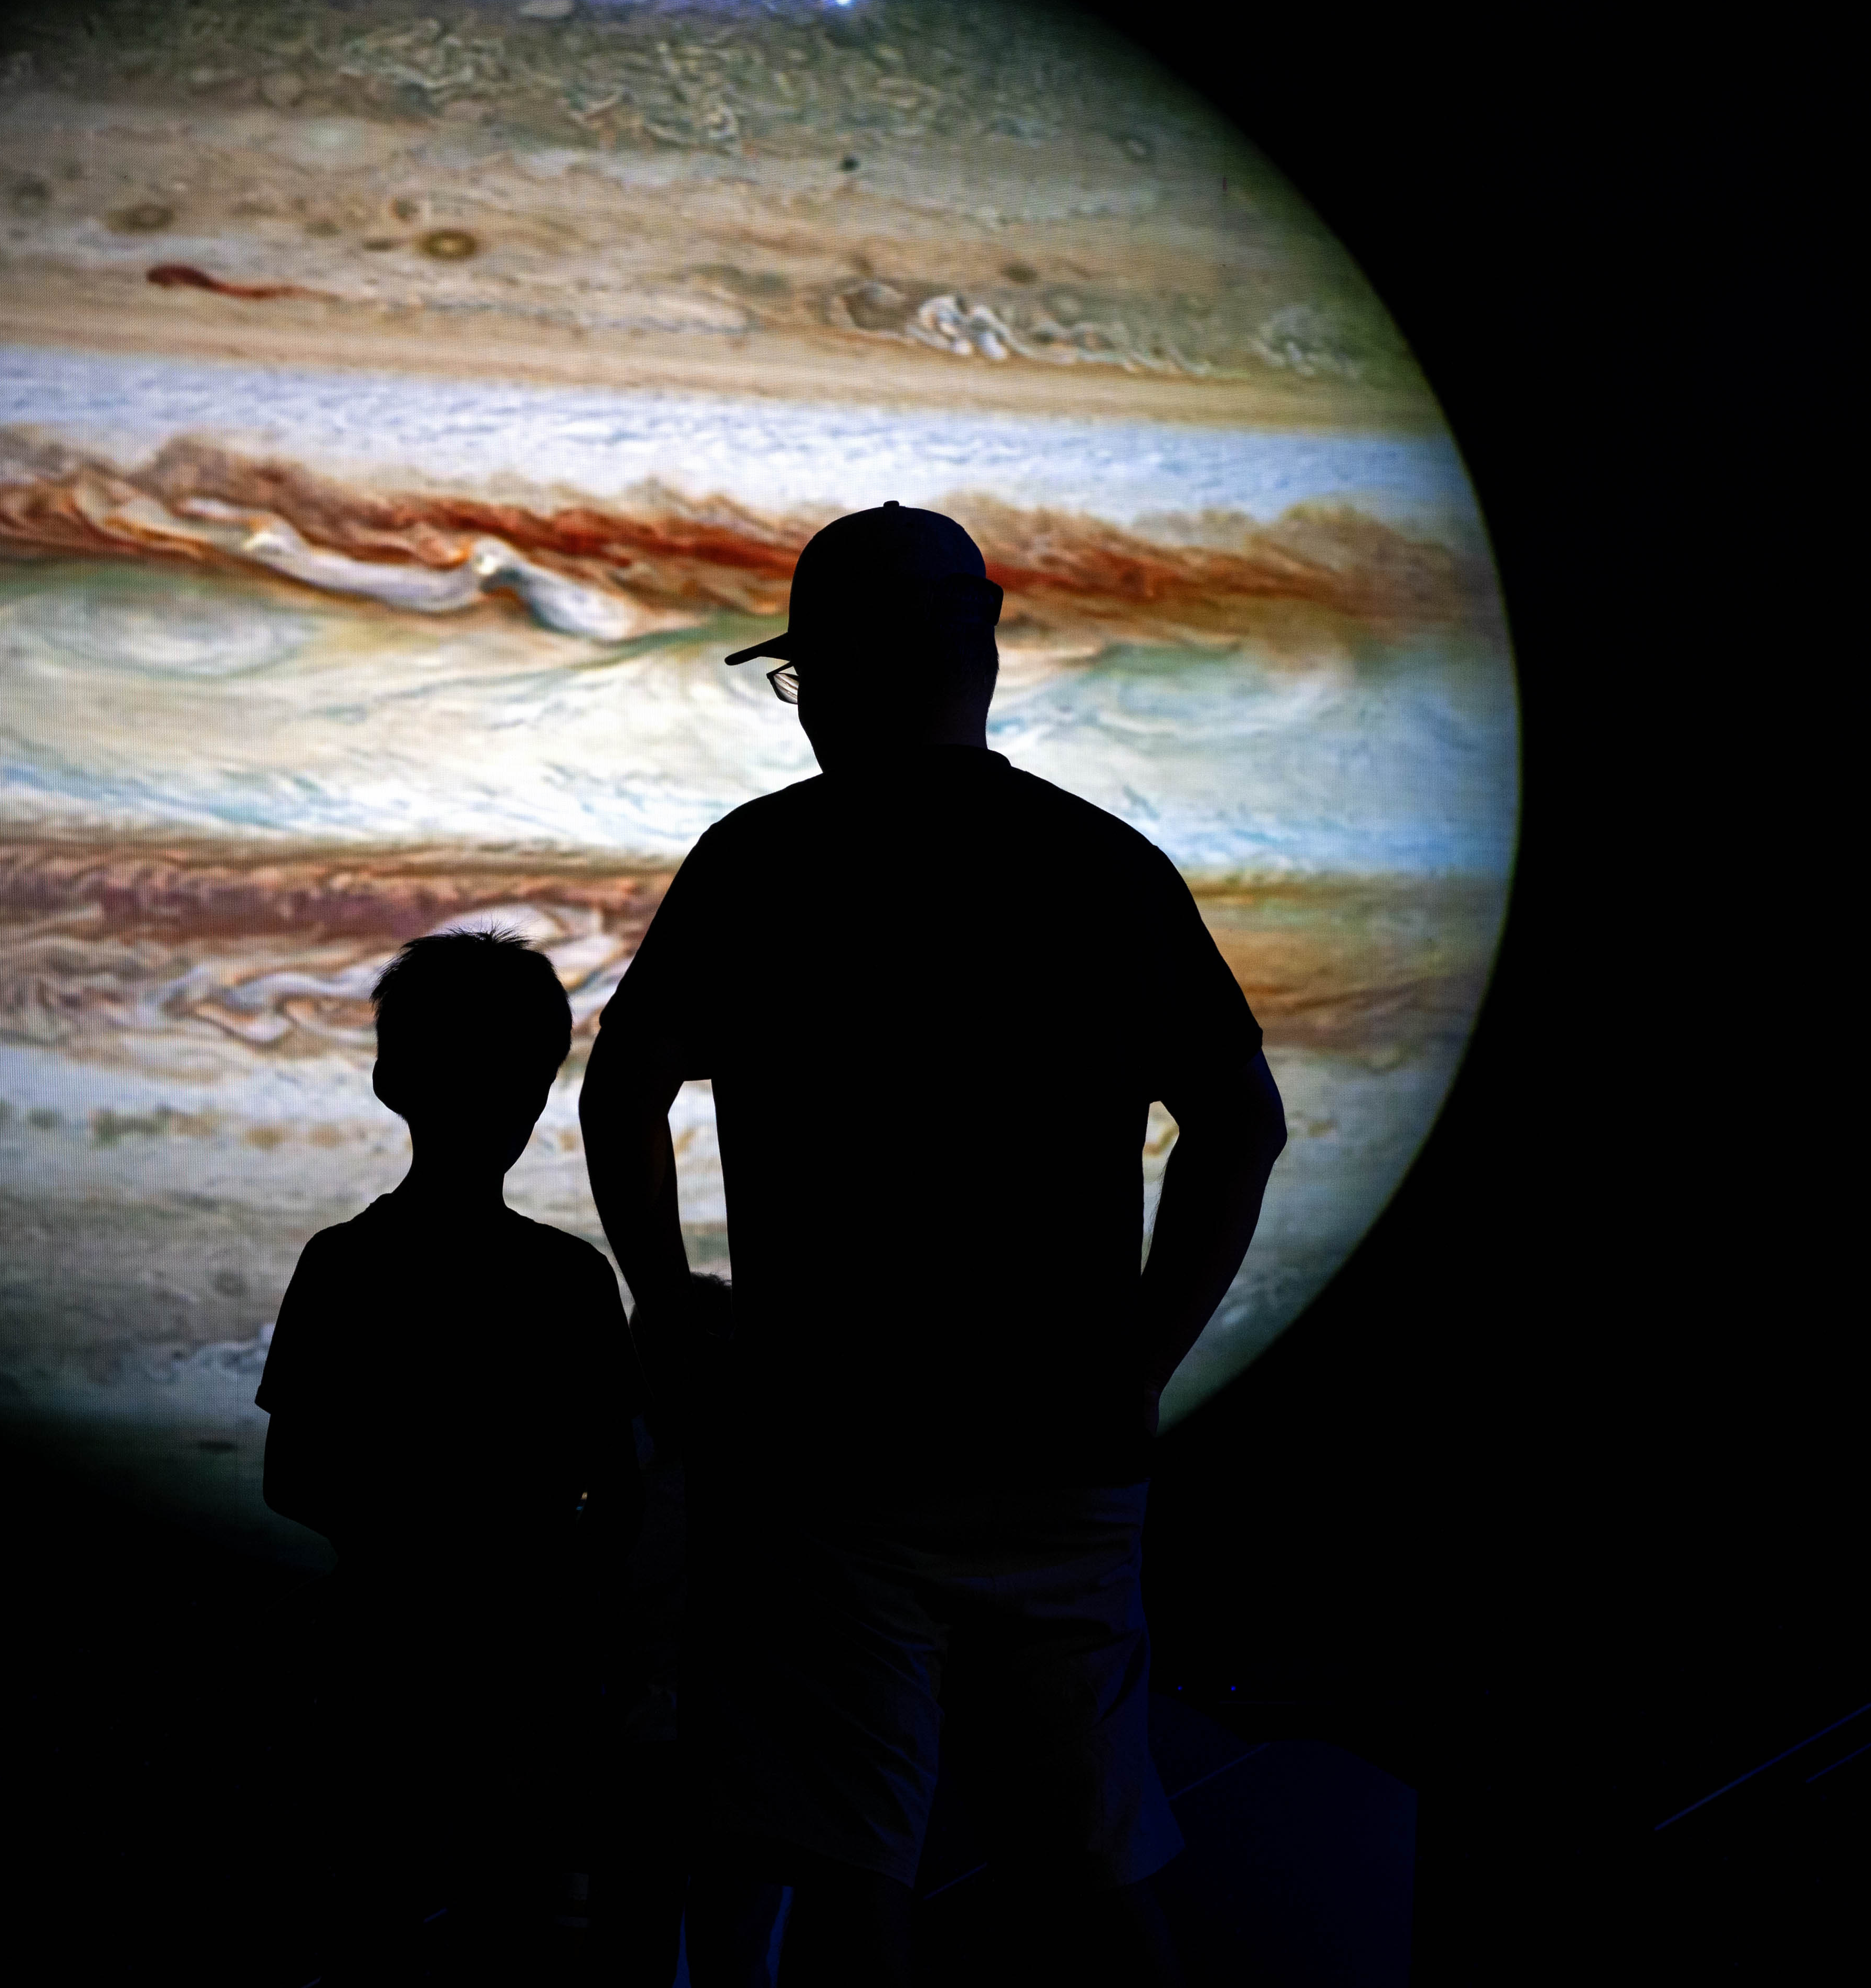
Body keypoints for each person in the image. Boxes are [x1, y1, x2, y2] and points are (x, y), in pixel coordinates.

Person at [581, 502, 1287, 1988]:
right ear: (977, 648)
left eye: (802, 676)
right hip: (1061, 1459)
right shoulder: (1101, 865)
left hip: (836, 1461)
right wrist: (1140, 1357)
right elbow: (1239, 1126)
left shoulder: (759, 864)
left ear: (839, 672)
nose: (805, 707)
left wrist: (668, 1302)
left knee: (855, 1872)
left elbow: (626, 1086)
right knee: (1091, 1864)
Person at [258, 928, 657, 1982]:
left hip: (377, 1658)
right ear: (538, 1092)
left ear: (391, 1079)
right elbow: (618, 1493)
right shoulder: (569, 1281)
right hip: (532, 1675)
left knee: (373, 1914)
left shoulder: (342, 1265)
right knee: (515, 1925)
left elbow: (291, 1473)